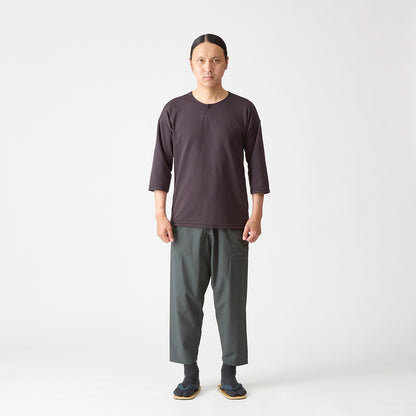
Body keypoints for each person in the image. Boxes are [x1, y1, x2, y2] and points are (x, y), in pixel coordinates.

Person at [148, 33, 270, 400]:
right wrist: (160, 214)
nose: (208, 67)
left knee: (231, 301)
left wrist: (256, 215)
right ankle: (189, 372)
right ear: (190, 64)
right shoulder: (174, 110)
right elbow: (161, 166)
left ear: (226, 63)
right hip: (184, 223)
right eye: (201, 60)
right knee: (184, 301)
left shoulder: (244, 110)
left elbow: (257, 168)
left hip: (233, 223)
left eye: (215, 60)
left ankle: (229, 373)